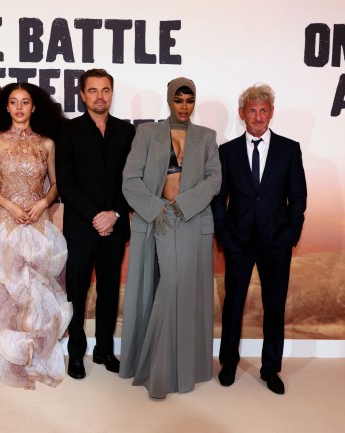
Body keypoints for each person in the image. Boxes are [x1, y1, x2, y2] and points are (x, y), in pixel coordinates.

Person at [0, 83, 71, 390]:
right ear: (5, 107)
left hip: (38, 220)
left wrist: (43, 204)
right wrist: (10, 206)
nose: (19, 107)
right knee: (5, 287)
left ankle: (33, 354)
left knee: (35, 287)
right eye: (13, 102)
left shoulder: (47, 143)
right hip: (7, 219)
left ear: (35, 107)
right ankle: (8, 357)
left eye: (25, 102)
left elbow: (56, 184)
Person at [119, 77, 222, 399]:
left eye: (189, 101)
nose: (184, 107)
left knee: (185, 290)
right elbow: (130, 179)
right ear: (169, 100)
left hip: (192, 219)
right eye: (178, 100)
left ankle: (181, 368)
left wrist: (184, 204)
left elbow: (214, 179)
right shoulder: (147, 133)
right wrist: (155, 208)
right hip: (158, 218)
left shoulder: (207, 137)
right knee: (169, 283)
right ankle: (158, 369)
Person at [212, 83, 307, 395]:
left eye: (263, 110)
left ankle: (270, 369)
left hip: (276, 242)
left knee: (274, 307)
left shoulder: (289, 150)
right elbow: (218, 198)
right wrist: (224, 233)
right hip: (238, 241)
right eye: (252, 110)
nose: (258, 116)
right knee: (233, 305)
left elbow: (298, 196)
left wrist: (291, 234)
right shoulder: (227, 152)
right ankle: (228, 363)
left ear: (271, 112)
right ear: (242, 114)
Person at [56, 69, 135, 379]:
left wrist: (114, 213)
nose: (99, 96)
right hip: (80, 229)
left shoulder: (127, 132)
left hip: (115, 228)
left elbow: (133, 180)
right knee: (76, 293)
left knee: (109, 292)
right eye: (93, 90)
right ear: (82, 95)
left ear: (111, 93)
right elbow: (66, 183)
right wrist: (96, 216)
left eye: (105, 90)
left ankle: (104, 350)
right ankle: (76, 353)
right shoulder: (69, 131)